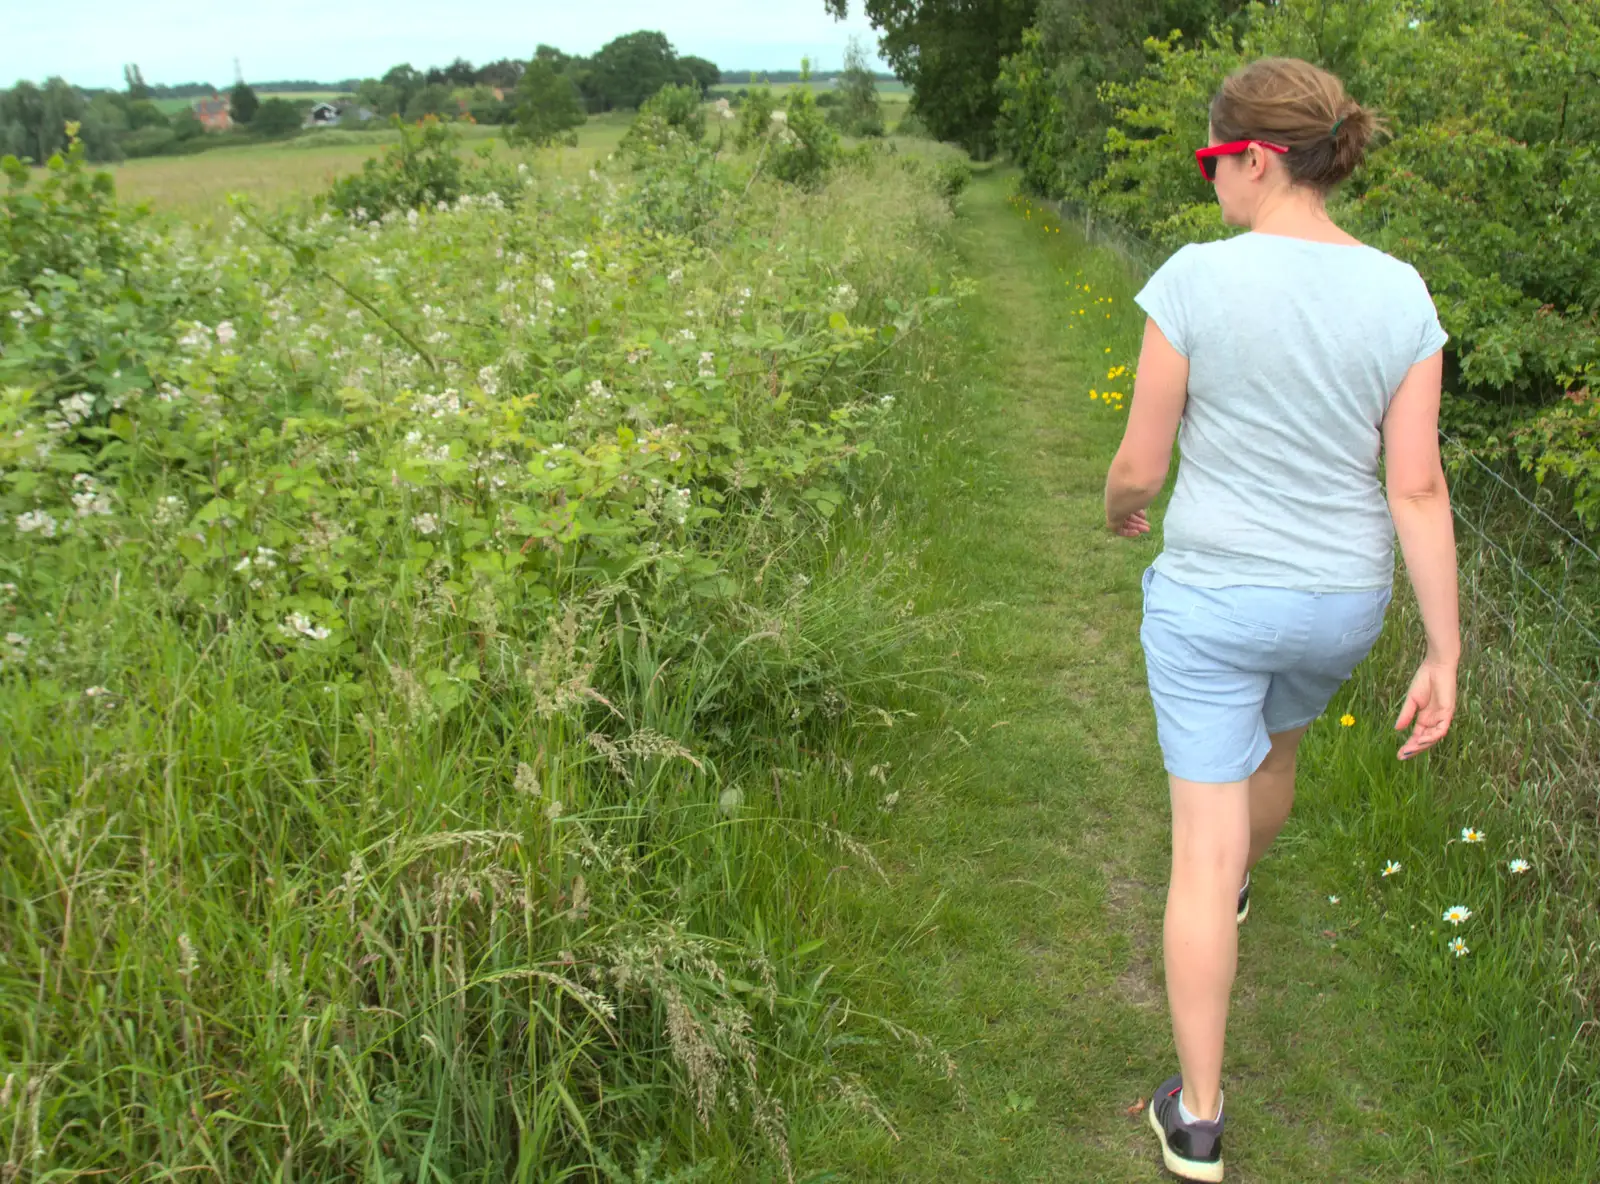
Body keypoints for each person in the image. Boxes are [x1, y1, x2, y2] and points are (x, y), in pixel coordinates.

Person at [1102, 57, 1461, 1182]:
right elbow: (1416, 486)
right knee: (1280, 748)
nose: (1211, 183)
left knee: (1197, 856)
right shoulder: (1400, 292)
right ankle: (1242, 874)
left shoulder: (1195, 280)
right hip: (1338, 603)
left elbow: (1139, 464)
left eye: (1214, 161)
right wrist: (1444, 648)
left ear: (1254, 158)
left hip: (1212, 597)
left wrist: (1120, 509)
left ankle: (1197, 1117)